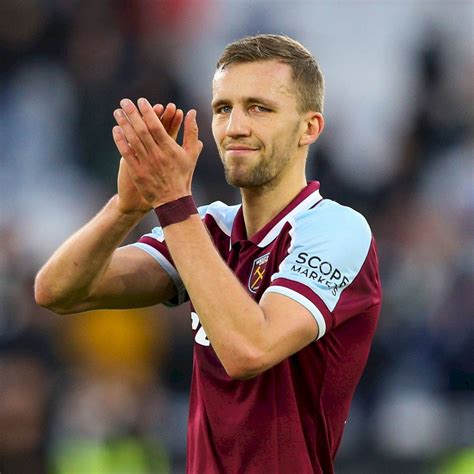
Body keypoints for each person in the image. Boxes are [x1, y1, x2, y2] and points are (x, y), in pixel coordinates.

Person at [35, 34, 381, 473]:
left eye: (259, 108)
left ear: (309, 128)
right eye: (223, 109)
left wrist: (173, 202)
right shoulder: (209, 228)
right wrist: (126, 208)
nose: (235, 127)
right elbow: (57, 291)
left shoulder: (336, 229)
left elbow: (248, 351)